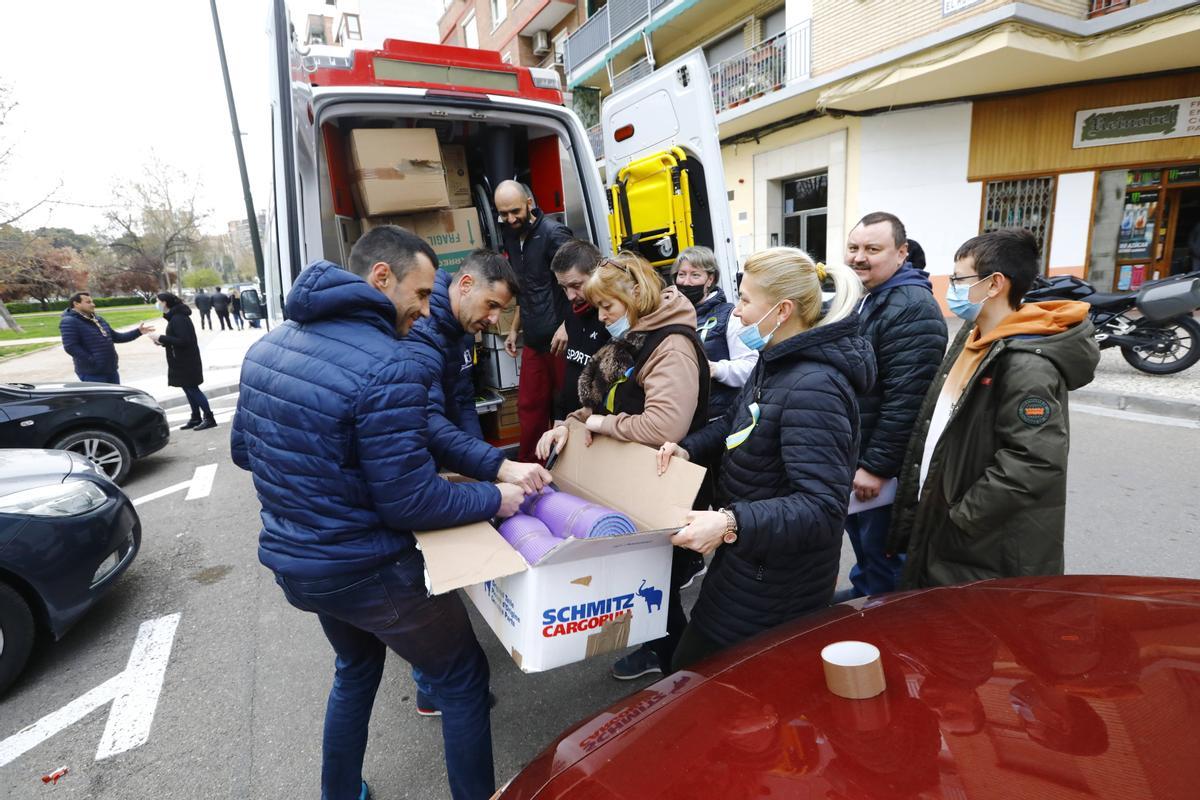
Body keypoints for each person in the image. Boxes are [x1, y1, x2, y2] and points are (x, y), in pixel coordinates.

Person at [231, 225, 525, 800]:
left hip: (299, 562)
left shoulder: (267, 347)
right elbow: (410, 499)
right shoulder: (387, 361)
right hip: (369, 568)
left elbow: (246, 452)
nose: (424, 309)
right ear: (380, 277)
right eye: (419, 295)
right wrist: (496, 497)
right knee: (462, 680)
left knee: (356, 670)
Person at [656, 247, 874, 670]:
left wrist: (731, 522)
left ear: (783, 309)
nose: (736, 313)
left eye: (745, 300)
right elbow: (744, 421)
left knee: (706, 683)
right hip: (749, 562)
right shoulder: (776, 361)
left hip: (776, 581)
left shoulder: (814, 386)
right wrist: (690, 447)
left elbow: (823, 508)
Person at [890, 228, 1099, 589]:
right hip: (945, 522)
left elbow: (1034, 461)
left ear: (994, 284)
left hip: (980, 543)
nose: (951, 287)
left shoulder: (1027, 363)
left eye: (958, 278)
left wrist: (960, 517)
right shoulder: (973, 337)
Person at [537, 251, 709, 680]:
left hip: (664, 487)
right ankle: (662, 655)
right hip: (637, 482)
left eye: (607, 306)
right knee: (644, 582)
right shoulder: (637, 336)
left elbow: (662, 424)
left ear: (636, 295)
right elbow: (604, 401)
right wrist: (570, 425)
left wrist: (599, 423)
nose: (602, 316)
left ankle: (681, 675)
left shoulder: (671, 345)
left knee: (659, 589)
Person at [840, 212, 947, 599]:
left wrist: (876, 467)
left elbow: (908, 399)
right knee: (868, 546)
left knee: (885, 550)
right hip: (862, 452)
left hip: (882, 469)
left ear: (901, 253)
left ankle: (886, 622)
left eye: (873, 249)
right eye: (853, 248)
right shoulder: (872, 297)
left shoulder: (910, 306)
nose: (859, 257)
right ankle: (866, 593)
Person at [409, 248, 551, 494]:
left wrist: (483, 470)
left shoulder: (463, 330)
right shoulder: (422, 333)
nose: (494, 319)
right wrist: (498, 466)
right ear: (466, 284)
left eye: (501, 310)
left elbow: (464, 401)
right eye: (492, 305)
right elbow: (425, 418)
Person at [495, 180, 573, 462]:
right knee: (528, 407)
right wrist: (514, 330)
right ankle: (529, 470)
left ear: (529, 203)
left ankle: (572, 473)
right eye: (503, 214)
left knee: (568, 408)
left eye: (515, 211)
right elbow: (525, 288)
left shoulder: (554, 233)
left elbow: (580, 282)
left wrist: (568, 325)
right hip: (534, 338)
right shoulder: (510, 236)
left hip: (562, 339)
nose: (510, 219)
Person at [672, 246, 758, 424]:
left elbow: (751, 366)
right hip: (681, 420)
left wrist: (716, 369)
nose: (686, 282)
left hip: (719, 419)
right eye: (681, 274)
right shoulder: (669, 317)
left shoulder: (730, 316)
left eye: (695, 275)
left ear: (710, 279)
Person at [549, 239, 610, 422]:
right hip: (573, 419)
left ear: (598, 274)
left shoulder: (612, 318)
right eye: (563, 288)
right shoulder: (573, 310)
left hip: (602, 423)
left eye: (577, 286)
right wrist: (560, 419)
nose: (570, 296)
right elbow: (572, 370)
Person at [148, 292, 216, 430]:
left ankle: (209, 417)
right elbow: (177, 340)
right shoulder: (174, 317)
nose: (157, 303)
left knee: (192, 389)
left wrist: (161, 337)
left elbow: (185, 341)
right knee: (187, 388)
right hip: (180, 360)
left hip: (186, 360)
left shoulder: (178, 318)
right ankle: (196, 417)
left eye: (158, 301)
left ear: (165, 303)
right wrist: (162, 342)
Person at [59, 292, 153, 384]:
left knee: (116, 399)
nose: (93, 304)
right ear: (76, 304)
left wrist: (138, 332)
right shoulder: (69, 321)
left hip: (110, 369)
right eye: (88, 302)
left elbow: (116, 337)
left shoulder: (98, 319)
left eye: (92, 302)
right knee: (101, 400)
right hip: (93, 373)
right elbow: (71, 347)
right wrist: (93, 360)